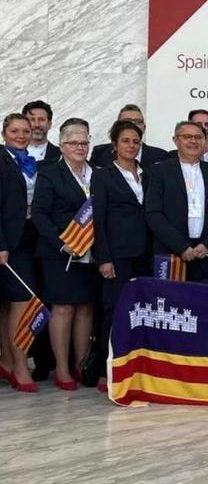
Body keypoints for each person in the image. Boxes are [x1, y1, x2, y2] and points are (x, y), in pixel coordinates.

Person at [31, 118, 99, 391]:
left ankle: (80, 364)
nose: (80, 147)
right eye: (73, 142)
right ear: (62, 145)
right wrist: (62, 243)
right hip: (61, 253)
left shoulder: (98, 173)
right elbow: (39, 214)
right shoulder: (50, 173)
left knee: (85, 308)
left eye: (84, 142)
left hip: (91, 253)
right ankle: (60, 368)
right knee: (63, 308)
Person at [91, 119, 152, 392]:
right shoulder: (103, 175)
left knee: (142, 312)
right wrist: (103, 258)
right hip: (116, 256)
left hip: (146, 254)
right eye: (126, 140)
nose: (131, 145)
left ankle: (136, 367)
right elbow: (98, 220)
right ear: (114, 144)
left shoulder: (149, 173)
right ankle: (108, 370)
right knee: (114, 312)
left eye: (136, 141)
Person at [145, 121, 208, 281]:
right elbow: (153, 214)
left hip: (206, 255)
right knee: (171, 302)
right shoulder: (160, 171)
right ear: (175, 140)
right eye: (187, 137)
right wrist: (182, 247)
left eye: (198, 137)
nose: (193, 141)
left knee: (204, 302)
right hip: (171, 255)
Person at [0, 114, 41, 391]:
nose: (21, 135)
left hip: (28, 238)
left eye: (25, 130)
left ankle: (6, 360)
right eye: (15, 130)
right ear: (4, 133)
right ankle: (19, 364)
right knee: (21, 300)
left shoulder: (31, 161)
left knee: (10, 303)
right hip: (6, 241)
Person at [89, 104, 171, 169]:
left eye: (138, 122)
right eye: (127, 122)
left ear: (144, 127)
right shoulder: (100, 153)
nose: (133, 125)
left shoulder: (161, 156)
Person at [21, 100, 61, 168]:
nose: (37, 125)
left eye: (41, 119)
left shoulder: (61, 155)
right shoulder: (9, 154)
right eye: (32, 120)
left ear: (49, 124)